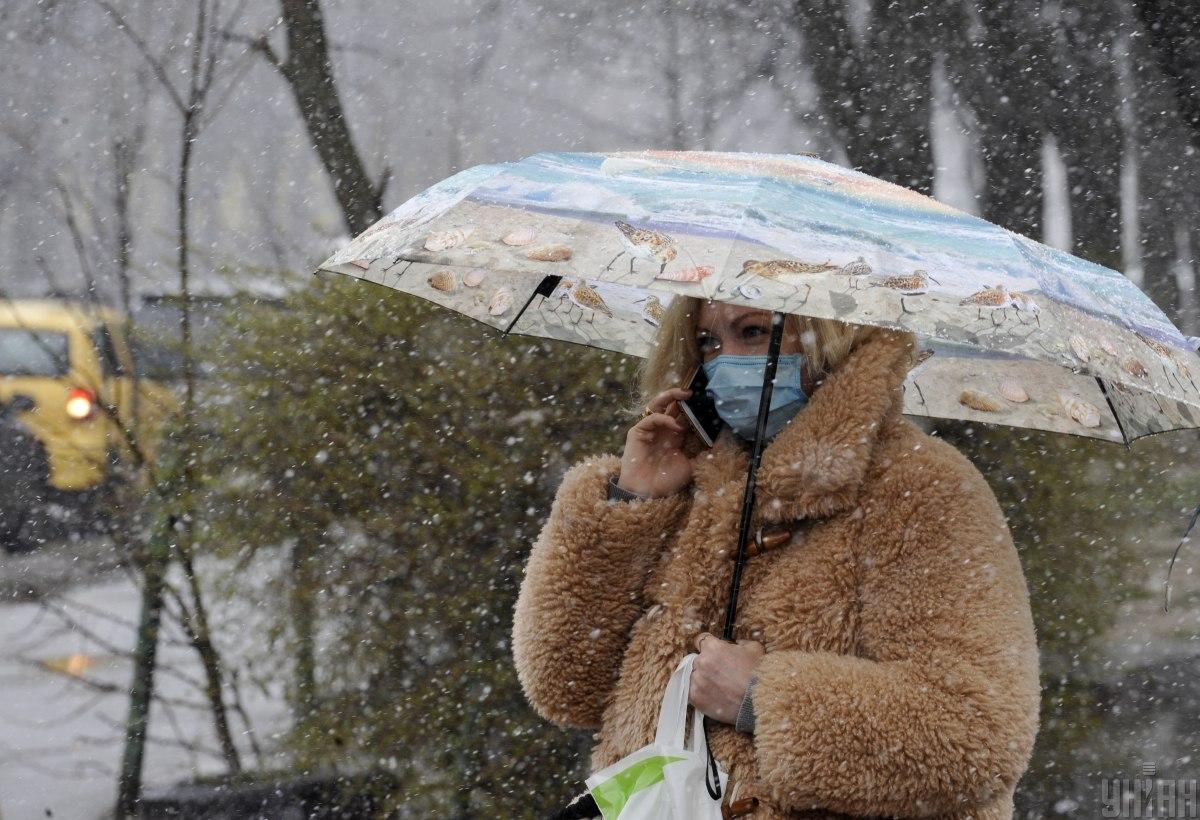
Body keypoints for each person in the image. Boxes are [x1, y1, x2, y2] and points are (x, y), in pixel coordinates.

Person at [512, 297, 1041, 819]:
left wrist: (763, 696)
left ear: (827, 341)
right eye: (707, 341)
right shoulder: (692, 475)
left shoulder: (921, 488)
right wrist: (634, 502)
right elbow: (566, 686)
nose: (725, 361)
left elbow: (977, 735)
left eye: (754, 332)